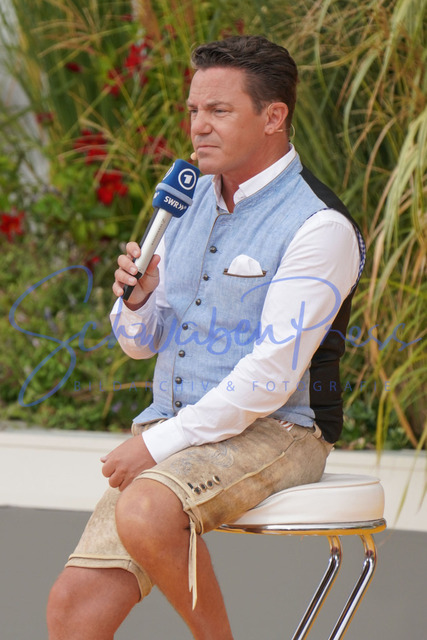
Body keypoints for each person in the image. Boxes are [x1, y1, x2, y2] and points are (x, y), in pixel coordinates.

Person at [47, 35, 365, 639]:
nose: (198, 126)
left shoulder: (319, 225)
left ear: (273, 117)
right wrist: (138, 302)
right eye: (194, 109)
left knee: (147, 508)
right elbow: (141, 343)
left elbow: (270, 379)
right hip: (179, 425)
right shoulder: (184, 199)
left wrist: (157, 444)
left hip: (281, 429)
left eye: (219, 110)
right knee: (72, 611)